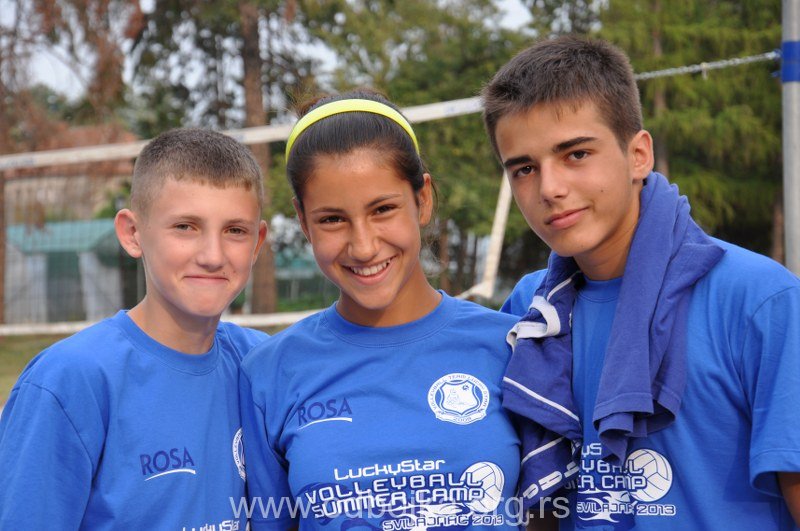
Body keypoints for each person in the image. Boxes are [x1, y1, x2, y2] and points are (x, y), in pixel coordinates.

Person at [480, 35, 800, 530]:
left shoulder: (759, 301)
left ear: (639, 155)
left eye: (576, 154)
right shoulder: (531, 309)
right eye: (524, 168)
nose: (550, 188)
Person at [238, 90, 526, 530]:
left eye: (383, 209)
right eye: (332, 219)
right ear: (303, 221)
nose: (364, 246)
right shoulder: (270, 373)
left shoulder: (511, 347)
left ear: (422, 199)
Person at [0, 128, 269, 529]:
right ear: (132, 233)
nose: (213, 256)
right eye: (185, 227)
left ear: (257, 242)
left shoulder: (262, 365)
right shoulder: (70, 381)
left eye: (235, 230)